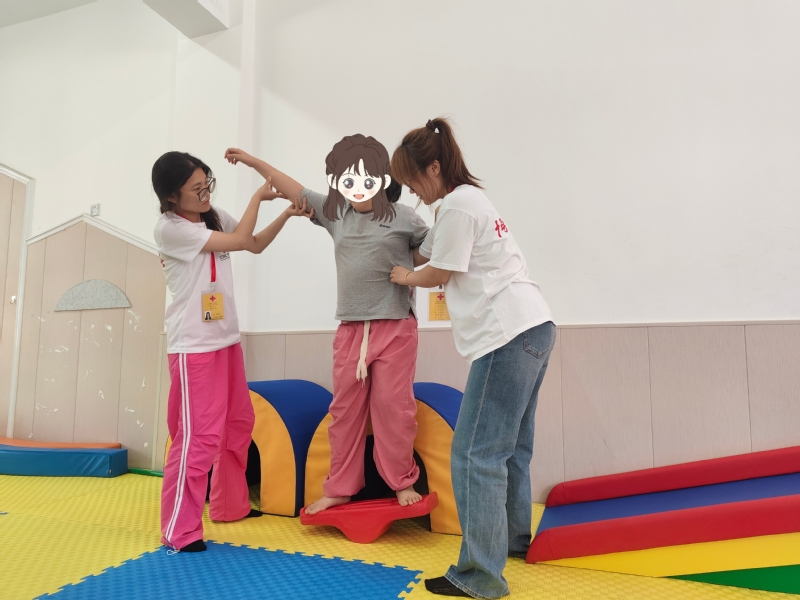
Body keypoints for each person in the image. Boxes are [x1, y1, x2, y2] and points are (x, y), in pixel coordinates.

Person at [389, 118, 555, 598]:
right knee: (511, 447)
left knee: (474, 454)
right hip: (535, 325)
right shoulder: (470, 201)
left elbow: (438, 270)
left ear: (434, 168)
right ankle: (514, 539)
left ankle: (481, 575)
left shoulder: (458, 205)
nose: (415, 193)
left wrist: (403, 277)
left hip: (506, 335)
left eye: (414, 181)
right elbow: (431, 252)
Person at [225, 136, 428, 514]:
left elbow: (432, 247)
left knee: (393, 408)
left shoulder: (404, 217)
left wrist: (411, 272)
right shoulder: (338, 214)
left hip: (395, 326)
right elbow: (293, 188)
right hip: (350, 329)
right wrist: (253, 160)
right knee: (345, 412)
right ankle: (340, 487)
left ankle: (402, 481)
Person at [152, 151, 314, 552]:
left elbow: (253, 244)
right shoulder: (170, 229)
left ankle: (229, 505)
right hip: (194, 347)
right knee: (197, 437)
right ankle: (180, 529)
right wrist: (258, 196)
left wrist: (286, 214)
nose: (205, 193)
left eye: (207, 183)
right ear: (172, 197)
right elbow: (241, 239)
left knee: (238, 423)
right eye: (196, 189)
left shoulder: (210, 216)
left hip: (226, 340)